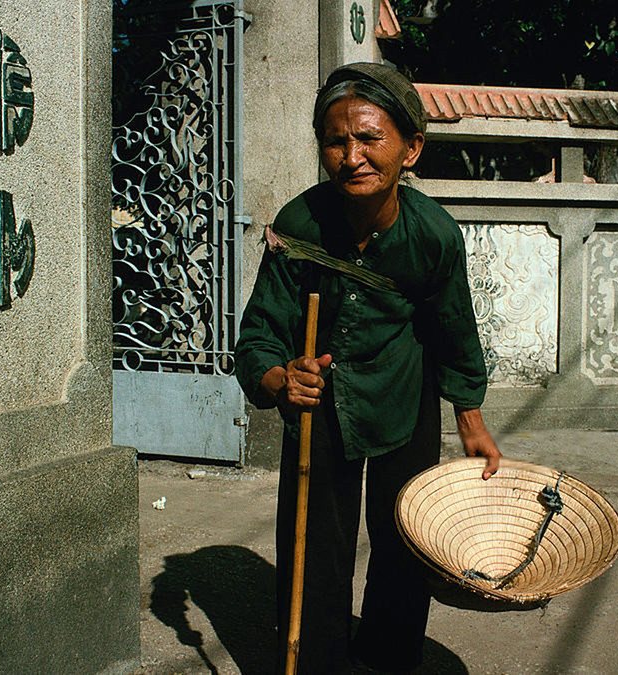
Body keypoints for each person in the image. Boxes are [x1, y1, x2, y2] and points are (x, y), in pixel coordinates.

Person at [234, 62, 501, 673]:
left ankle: (387, 658)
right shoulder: (300, 225)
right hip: (319, 400)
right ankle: (316, 661)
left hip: (404, 397)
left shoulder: (433, 235)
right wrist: (279, 378)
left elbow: (454, 328)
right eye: (335, 140)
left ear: (411, 149)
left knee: (404, 540)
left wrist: (471, 417)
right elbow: (260, 333)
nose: (351, 156)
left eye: (369, 139)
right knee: (315, 549)